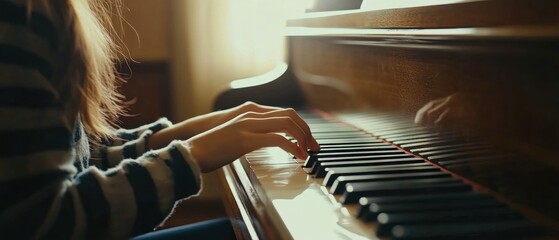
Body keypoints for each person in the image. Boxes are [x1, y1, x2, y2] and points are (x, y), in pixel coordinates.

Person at [0, 0, 320, 239]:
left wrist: (174, 137)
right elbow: (43, 222)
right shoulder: (20, 15)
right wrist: (191, 156)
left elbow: (78, 160)